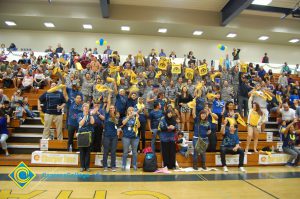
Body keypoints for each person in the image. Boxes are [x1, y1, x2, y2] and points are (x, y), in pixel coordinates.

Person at [103, 92, 119, 172]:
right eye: (111, 108)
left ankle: (113, 166)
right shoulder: (106, 114)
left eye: (113, 108)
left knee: (113, 151)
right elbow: (108, 103)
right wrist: (109, 95)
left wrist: (113, 115)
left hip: (114, 136)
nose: (112, 109)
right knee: (106, 151)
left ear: (115, 109)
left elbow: (116, 123)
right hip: (106, 135)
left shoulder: (117, 116)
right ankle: (105, 166)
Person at [76, 103, 94, 172]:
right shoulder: (79, 115)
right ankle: (82, 166)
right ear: (82, 108)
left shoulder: (90, 115)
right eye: (85, 107)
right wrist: (85, 116)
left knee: (88, 152)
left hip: (88, 134)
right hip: (81, 134)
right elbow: (80, 123)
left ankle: (87, 167)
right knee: (82, 152)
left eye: (87, 107)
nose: (86, 108)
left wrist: (91, 115)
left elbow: (92, 122)